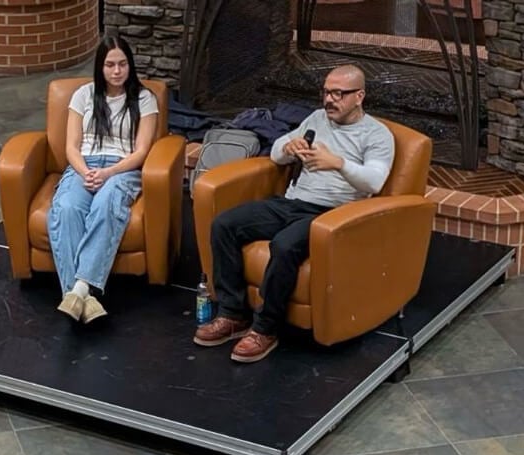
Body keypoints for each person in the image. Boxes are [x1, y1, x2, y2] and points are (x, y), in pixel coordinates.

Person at [194, 64, 395, 362]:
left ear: (359, 96)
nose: (330, 100)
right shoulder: (317, 119)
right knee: (225, 224)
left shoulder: (377, 135)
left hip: (332, 214)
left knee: (285, 245)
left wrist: (337, 163)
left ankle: (265, 328)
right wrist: (289, 146)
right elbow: (276, 154)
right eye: (326, 92)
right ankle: (232, 314)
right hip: (292, 202)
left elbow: (375, 181)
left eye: (339, 93)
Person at [47, 31, 159, 324]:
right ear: (100, 66)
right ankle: (84, 299)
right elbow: (70, 146)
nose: (117, 71)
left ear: (130, 65)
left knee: (107, 202)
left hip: (123, 168)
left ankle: (78, 289)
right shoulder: (83, 95)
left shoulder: (145, 99)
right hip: (84, 165)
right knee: (67, 207)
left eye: (123, 64)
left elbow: (142, 151)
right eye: (110, 65)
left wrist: (108, 173)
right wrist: (86, 172)